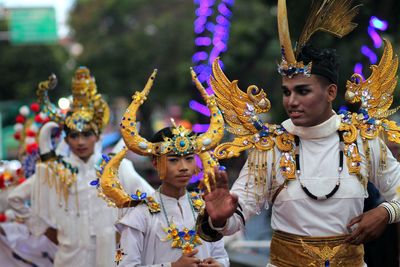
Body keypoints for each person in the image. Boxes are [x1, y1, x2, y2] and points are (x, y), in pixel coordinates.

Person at [196, 1, 400, 266]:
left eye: (303, 91)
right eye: (287, 92)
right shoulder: (269, 147)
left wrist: (386, 211)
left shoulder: (363, 139)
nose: (291, 101)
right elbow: (236, 216)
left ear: (330, 93)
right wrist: (220, 218)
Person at [99, 68, 228, 266]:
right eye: (174, 160)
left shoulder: (204, 207)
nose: (183, 167)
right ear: (155, 163)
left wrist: (219, 264)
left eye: (189, 159)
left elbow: (221, 255)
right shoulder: (139, 215)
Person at [30, 66, 141, 267]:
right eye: (74, 135)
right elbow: (34, 212)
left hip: (108, 257)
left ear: (98, 136)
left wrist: (124, 233)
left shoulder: (117, 168)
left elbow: (148, 202)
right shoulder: (54, 170)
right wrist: (62, 237)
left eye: (86, 134)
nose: (80, 142)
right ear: (67, 139)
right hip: (69, 258)